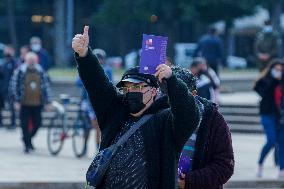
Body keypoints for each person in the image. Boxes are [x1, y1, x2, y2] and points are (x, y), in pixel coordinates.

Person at [72, 26, 200, 188]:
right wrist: (84, 56)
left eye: (137, 87)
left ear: (153, 91)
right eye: (127, 87)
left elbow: (189, 115)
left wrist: (172, 82)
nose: (131, 91)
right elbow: (98, 85)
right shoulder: (115, 114)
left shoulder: (165, 121)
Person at [171, 67, 234, 189]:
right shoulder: (156, 116)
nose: (174, 100)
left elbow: (225, 165)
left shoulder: (212, 120)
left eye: (180, 94)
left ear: (193, 94)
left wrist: (190, 181)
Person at [10, 52, 51, 153]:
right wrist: (16, 101)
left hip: (37, 103)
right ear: (26, 60)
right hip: (24, 103)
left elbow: (46, 87)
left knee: (38, 123)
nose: (31, 62)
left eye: (33, 60)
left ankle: (27, 139)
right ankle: (27, 145)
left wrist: (47, 102)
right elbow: (14, 86)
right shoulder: (20, 71)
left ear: (36, 60)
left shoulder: (40, 71)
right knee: (24, 124)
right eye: (29, 60)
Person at [254, 59, 283, 177]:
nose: (279, 72)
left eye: (281, 70)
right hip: (267, 114)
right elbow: (263, 93)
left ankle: (282, 169)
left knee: (282, 143)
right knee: (271, 140)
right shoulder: (265, 81)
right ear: (271, 69)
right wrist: (274, 81)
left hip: (280, 116)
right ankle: (260, 163)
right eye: (276, 70)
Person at [0, 45, 18, 129]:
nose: (7, 52)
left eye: (9, 50)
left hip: (11, 89)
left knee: (12, 107)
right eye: (6, 50)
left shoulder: (15, 63)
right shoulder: (2, 63)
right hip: (2, 88)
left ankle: (13, 123)